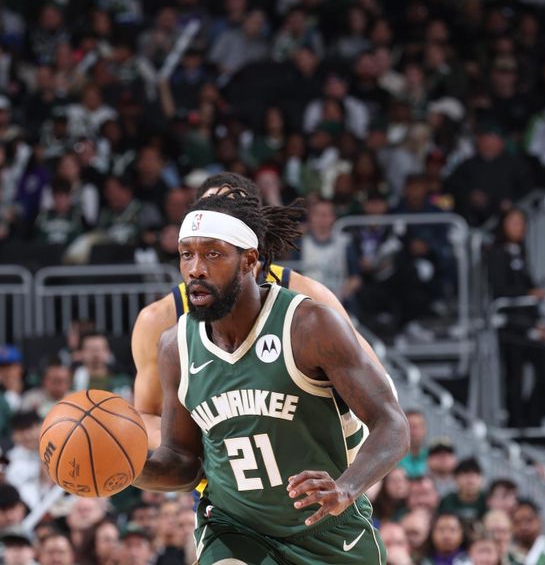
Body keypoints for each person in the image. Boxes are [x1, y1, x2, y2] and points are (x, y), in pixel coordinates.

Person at [133, 190, 409, 564]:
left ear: (249, 260)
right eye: (187, 255)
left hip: (326, 528)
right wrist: (128, 470)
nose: (196, 268)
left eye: (212, 254)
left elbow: (392, 423)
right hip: (234, 528)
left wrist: (346, 488)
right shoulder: (174, 346)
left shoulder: (310, 324)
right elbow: (183, 460)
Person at [131, 172, 389, 449]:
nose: (220, 217)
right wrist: (210, 449)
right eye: (210, 210)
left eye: (232, 211)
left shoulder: (309, 299)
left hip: (308, 473)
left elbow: (380, 392)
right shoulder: (161, 320)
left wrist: (351, 478)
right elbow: (146, 414)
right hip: (220, 485)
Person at [487, 208, 545, 428]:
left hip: (529, 323)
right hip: (511, 326)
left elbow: (528, 285)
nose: (519, 227)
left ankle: (532, 418)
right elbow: (499, 289)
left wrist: (539, 321)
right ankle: (517, 424)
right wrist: (528, 294)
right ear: (503, 225)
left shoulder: (520, 252)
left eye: (521, 223)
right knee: (514, 377)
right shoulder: (496, 253)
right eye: (513, 222)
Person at [398, 410, 428, 478]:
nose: (414, 431)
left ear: (425, 430)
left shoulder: (431, 457)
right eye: (410, 426)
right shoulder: (394, 459)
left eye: (418, 426)